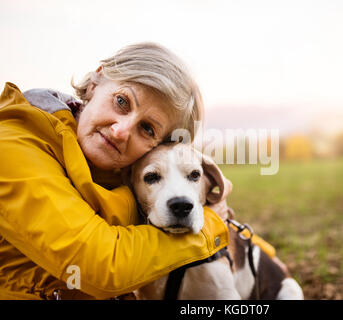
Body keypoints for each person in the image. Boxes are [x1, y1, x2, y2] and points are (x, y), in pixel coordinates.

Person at [0, 43, 229, 300]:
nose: (121, 131)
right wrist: (210, 225)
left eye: (147, 129)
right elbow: (102, 266)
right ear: (95, 83)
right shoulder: (11, 144)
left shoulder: (123, 169)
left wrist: (260, 253)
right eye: (122, 101)